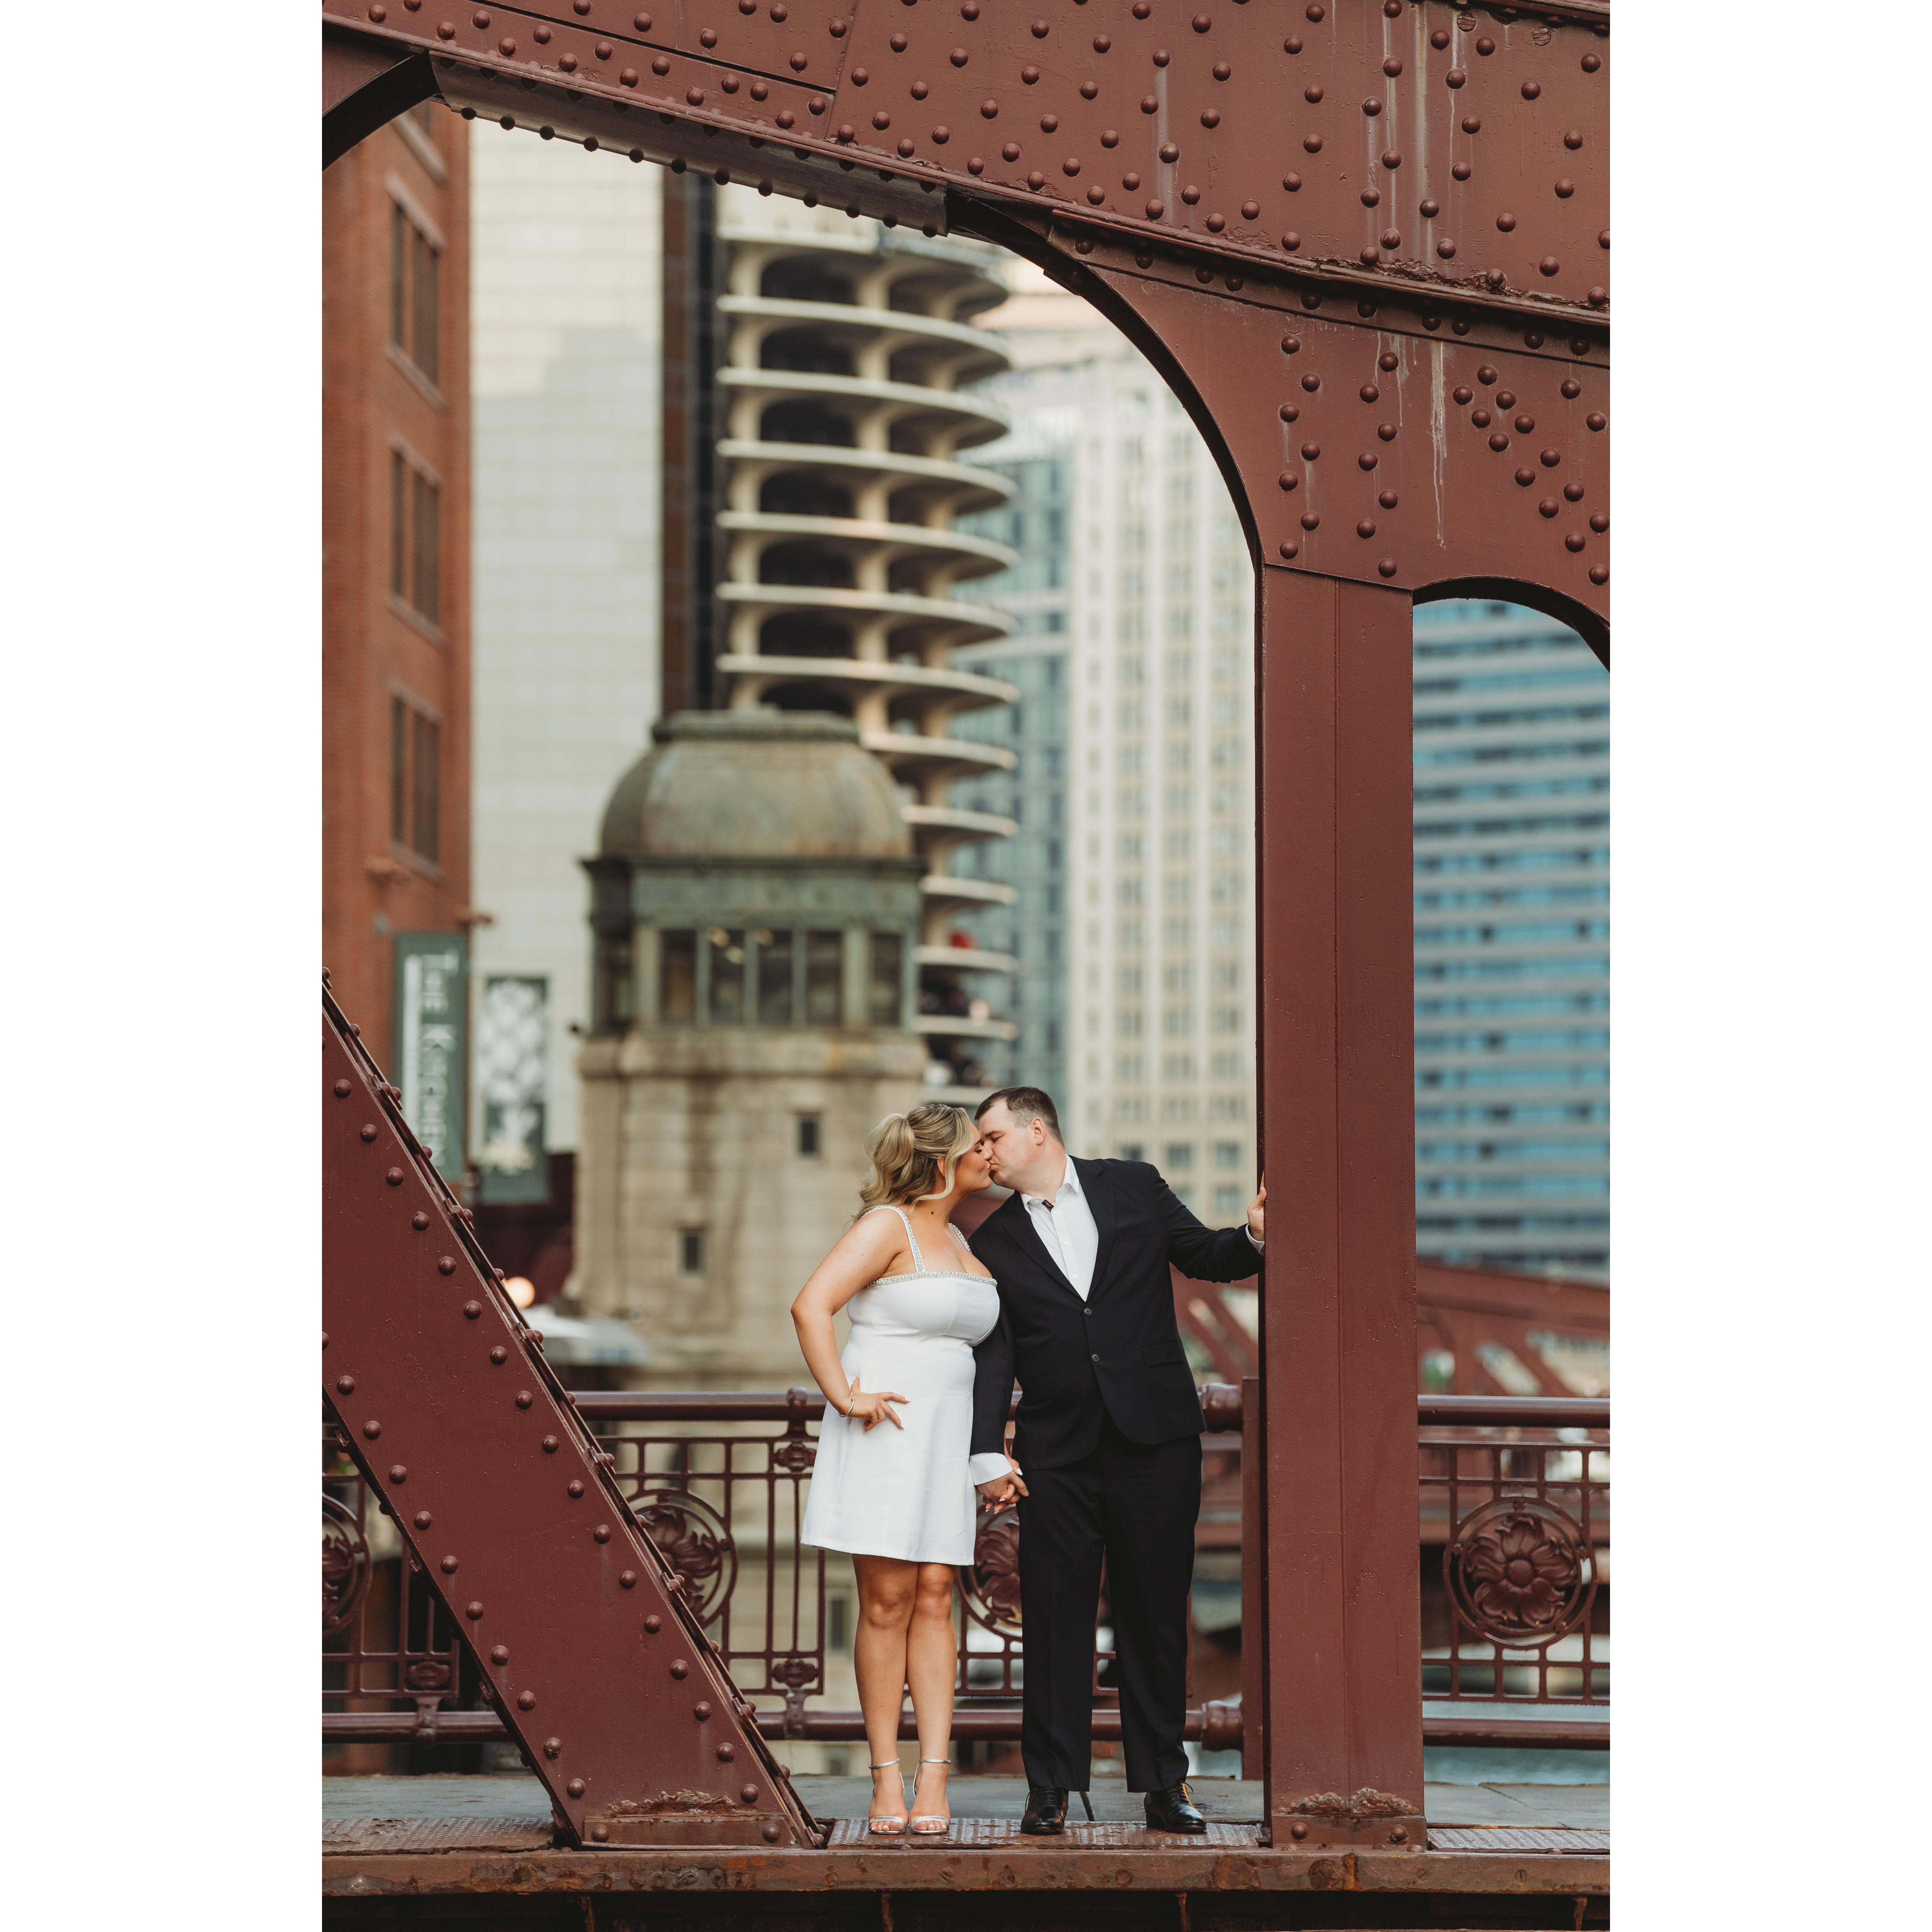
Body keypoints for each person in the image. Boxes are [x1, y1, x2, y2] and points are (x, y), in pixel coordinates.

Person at [967, 1086, 1265, 1837]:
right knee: (1055, 1623)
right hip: (1056, 1455)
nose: (984, 1152)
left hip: (1155, 1441)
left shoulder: (1133, 1185)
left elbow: (1206, 1256)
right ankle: (1050, 1789)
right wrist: (986, 1451)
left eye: (993, 1137)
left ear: (1037, 1131)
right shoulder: (993, 1241)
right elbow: (996, 1357)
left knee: (1156, 1618)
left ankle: (1165, 1786)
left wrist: (1255, 1237)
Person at [792, 1102, 1000, 1836]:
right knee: (886, 1601)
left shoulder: (962, 1236)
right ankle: (886, 1777)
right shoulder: (889, 1225)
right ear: (945, 1161)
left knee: (938, 1595)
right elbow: (811, 1306)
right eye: (979, 1145)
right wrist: (844, 1396)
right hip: (885, 1432)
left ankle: (934, 1775)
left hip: (945, 1437)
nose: (990, 1154)